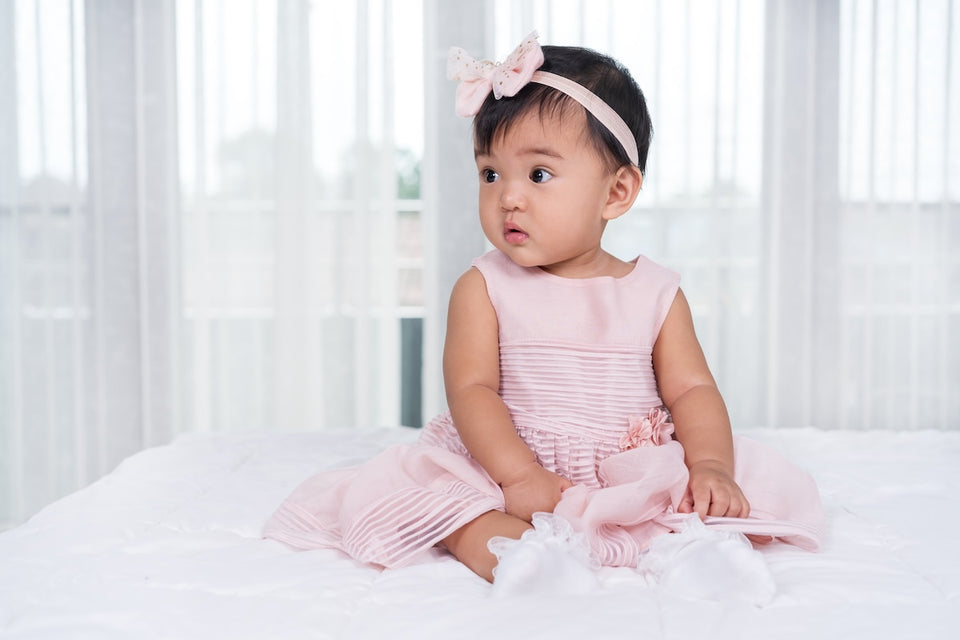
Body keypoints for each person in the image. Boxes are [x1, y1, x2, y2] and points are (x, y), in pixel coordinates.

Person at [264, 32, 824, 592]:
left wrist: (711, 467)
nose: (508, 196)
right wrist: (518, 474)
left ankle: (702, 558)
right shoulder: (483, 287)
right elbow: (472, 392)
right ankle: (525, 562)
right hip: (508, 464)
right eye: (490, 173)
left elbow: (693, 391)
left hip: (626, 470)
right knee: (453, 510)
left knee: (686, 502)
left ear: (616, 193)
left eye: (538, 174)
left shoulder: (656, 292)